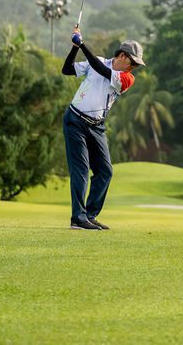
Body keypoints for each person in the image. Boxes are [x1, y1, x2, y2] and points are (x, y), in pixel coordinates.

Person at [60, 26, 145, 230]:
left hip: (97, 126)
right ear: (122, 56)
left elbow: (101, 69)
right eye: (133, 62)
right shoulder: (96, 61)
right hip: (75, 121)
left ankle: (89, 215)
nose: (134, 67)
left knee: (105, 171)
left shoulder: (127, 78)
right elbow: (67, 70)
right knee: (81, 170)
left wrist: (82, 44)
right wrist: (74, 48)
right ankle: (78, 218)